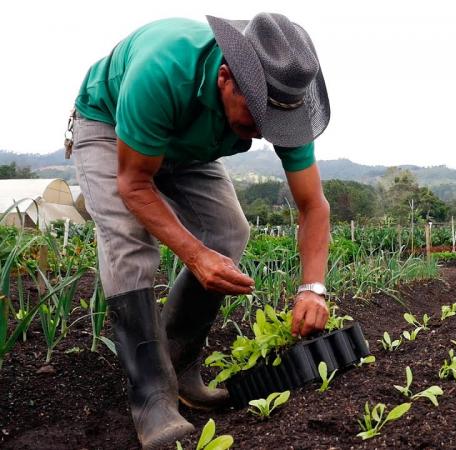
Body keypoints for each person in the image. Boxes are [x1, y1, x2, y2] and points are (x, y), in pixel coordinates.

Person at [69, 13, 331, 449]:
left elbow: (312, 204)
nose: (267, 134)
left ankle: (178, 367)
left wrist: (312, 287)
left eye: (275, 124)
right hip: (111, 127)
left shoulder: (282, 101)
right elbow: (134, 185)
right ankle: (151, 396)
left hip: (189, 144)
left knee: (228, 232)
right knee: (130, 244)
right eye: (255, 118)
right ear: (226, 77)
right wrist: (194, 254)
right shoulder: (163, 69)